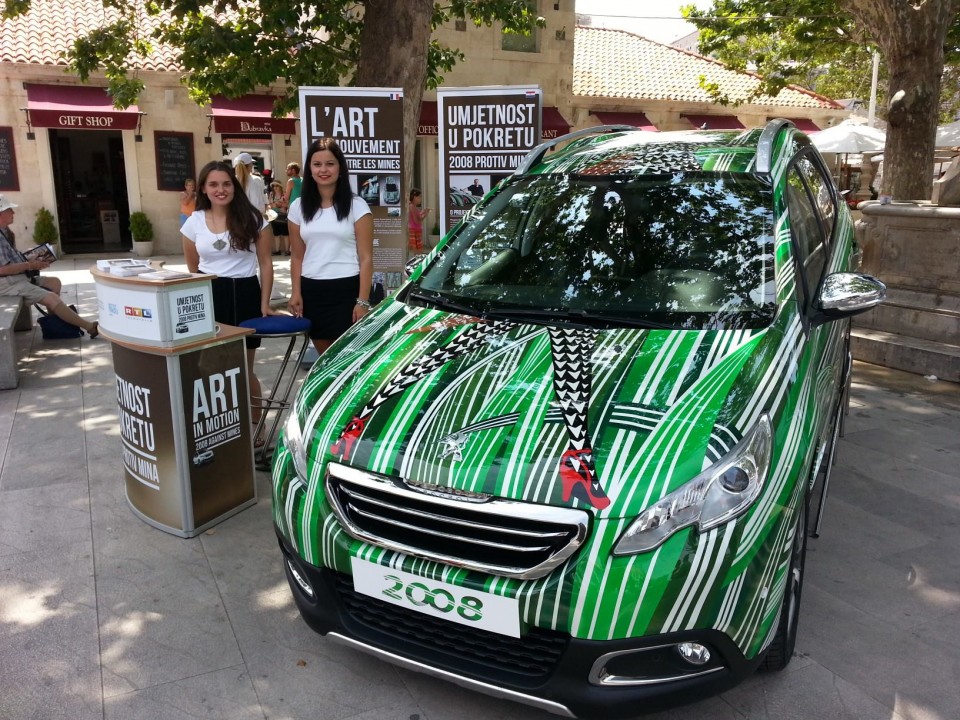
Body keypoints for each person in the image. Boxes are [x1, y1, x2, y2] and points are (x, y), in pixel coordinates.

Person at [181, 162, 274, 438]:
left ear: (235, 186)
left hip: (245, 294)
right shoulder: (193, 223)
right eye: (213, 184)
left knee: (243, 369)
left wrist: (265, 303)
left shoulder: (254, 220)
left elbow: (266, 264)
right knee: (210, 369)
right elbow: (193, 267)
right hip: (210, 295)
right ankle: (221, 428)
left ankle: (257, 426)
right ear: (204, 189)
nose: (220, 190)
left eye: (226, 184)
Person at [287, 138, 373, 355]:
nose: (323, 169)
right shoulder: (298, 207)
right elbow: (297, 256)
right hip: (312, 291)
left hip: (347, 291)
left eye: (330, 163)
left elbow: (366, 258)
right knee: (325, 360)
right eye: (317, 164)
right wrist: (296, 292)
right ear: (309, 169)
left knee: (348, 361)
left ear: (340, 168)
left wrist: (362, 301)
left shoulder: (357, 206)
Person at [0, 195, 98, 337]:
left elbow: (9, 260)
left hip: (17, 278)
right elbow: (2, 269)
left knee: (54, 282)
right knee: (52, 298)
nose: (13, 213)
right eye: (10, 210)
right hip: (8, 284)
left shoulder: (4, 232)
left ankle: (57, 325)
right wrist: (29, 264)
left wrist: (31, 258)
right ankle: (90, 327)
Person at [267, 180, 289, 255]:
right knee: (276, 234)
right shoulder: (271, 195)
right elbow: (269, 204)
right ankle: (277, 250)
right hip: (273, 215)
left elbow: (286, 205)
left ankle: (287, 250)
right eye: (273, 186)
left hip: (282, 215)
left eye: (276, 186)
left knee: (285, 234)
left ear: (280, 186)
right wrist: (276, 205)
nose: (275, 187)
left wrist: (278, 205)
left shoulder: (284, 194)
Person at [407, 188, 431, 252]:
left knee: (419, 251)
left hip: (416, 231)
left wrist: (423, 212)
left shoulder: (413, 207)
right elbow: (417, 221)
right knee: (417, 252)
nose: (421, 198)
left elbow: (418, 217)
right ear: (415, 197)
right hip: (414, 232)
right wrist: (425, 214)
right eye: (419, 196)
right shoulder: (412, 207)